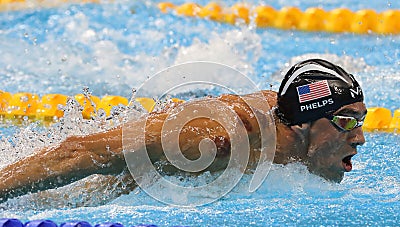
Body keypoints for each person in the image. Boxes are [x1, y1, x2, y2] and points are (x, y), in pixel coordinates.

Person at [0, 59, 367, 203]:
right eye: (347, 122)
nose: (360, 138)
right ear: (306, 123)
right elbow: (83, 151)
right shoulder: (225, 134)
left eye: (361, 121)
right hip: (115, 186)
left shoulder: (295, 130)